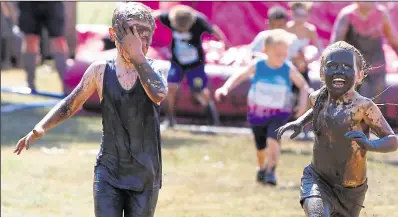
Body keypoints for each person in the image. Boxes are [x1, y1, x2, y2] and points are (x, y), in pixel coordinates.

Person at [14, 3, 170, 217]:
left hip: (144, 175)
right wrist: (40, 128)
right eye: (132, 36)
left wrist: (138, 57)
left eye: (145, 37)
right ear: (113, 34)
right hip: (108, 171)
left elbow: (158, 94)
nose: (139, 43)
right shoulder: (100, 71)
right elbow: (71, 103)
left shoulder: (157, 69)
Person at [277, 41, 398, 217]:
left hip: (351, 187)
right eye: (332, 66)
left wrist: (370, 145)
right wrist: (300, 122)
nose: (339, 71)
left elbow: (392, 140)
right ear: (321, 73)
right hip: (318, 177)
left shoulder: (363, 107)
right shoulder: (317, 97)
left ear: (360, 76)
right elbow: (316, 109)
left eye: (347, 67)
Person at [215, 29, 309, 185]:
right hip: (257, 113)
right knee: (260, 144)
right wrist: (225, 88)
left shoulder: (288, 68)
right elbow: (239, 76)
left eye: (284, 55)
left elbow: (303, 86)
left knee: (273, 140)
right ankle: (261, 167)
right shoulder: (258, 64)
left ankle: (271, 171)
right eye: (277, 54)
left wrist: (302, 105)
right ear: (265, 51)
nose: (281, 58)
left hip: (279, 112)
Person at [153, 5, 229, 127]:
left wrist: (225, 43)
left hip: (195, 63)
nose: (182, 32)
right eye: (179, 29)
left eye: (184, 29)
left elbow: (214, 30)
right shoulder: (169, 16)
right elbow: (155, 14)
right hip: (177, 62)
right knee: (169, 88)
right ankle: (170, 119)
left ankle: (211, 115)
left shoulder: (199, 21)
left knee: (198, 91)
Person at [330, 2, 398, 103]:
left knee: (374, 104)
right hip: (354, 68)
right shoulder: (347, 15)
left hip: (377, 67)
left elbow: (393, 40)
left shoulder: (381, 13)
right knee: (355, 103)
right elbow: (336, 44)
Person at [18, 1, 69, 92]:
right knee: (30, 39)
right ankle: (30, 84)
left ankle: (67, 86)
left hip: (52, 3)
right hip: (29, 4)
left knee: (58, 40)